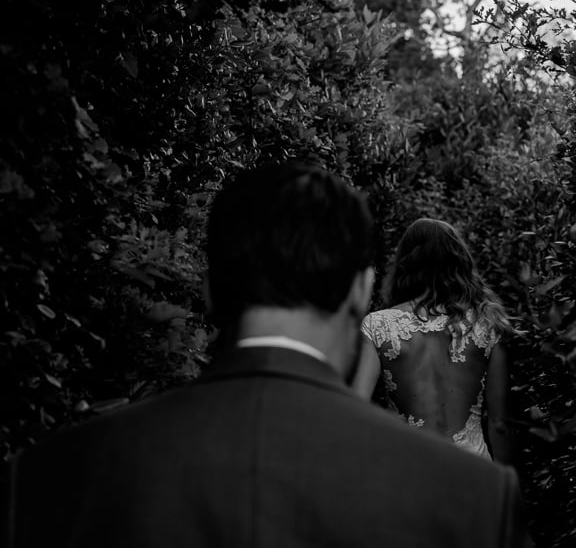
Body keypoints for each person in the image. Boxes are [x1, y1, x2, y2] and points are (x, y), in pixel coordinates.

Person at [5, 163, 530, 548]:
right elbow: (499, 421)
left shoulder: (52, 475)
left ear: (209, 290)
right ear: (357, 290)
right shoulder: (474, 498)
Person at [351, 218, 515, 463]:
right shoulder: (488, 323)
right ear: (458, 261)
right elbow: (499, 422)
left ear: (407, 263)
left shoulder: (378, 325)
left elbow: (356, 411)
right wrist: (505, 488)